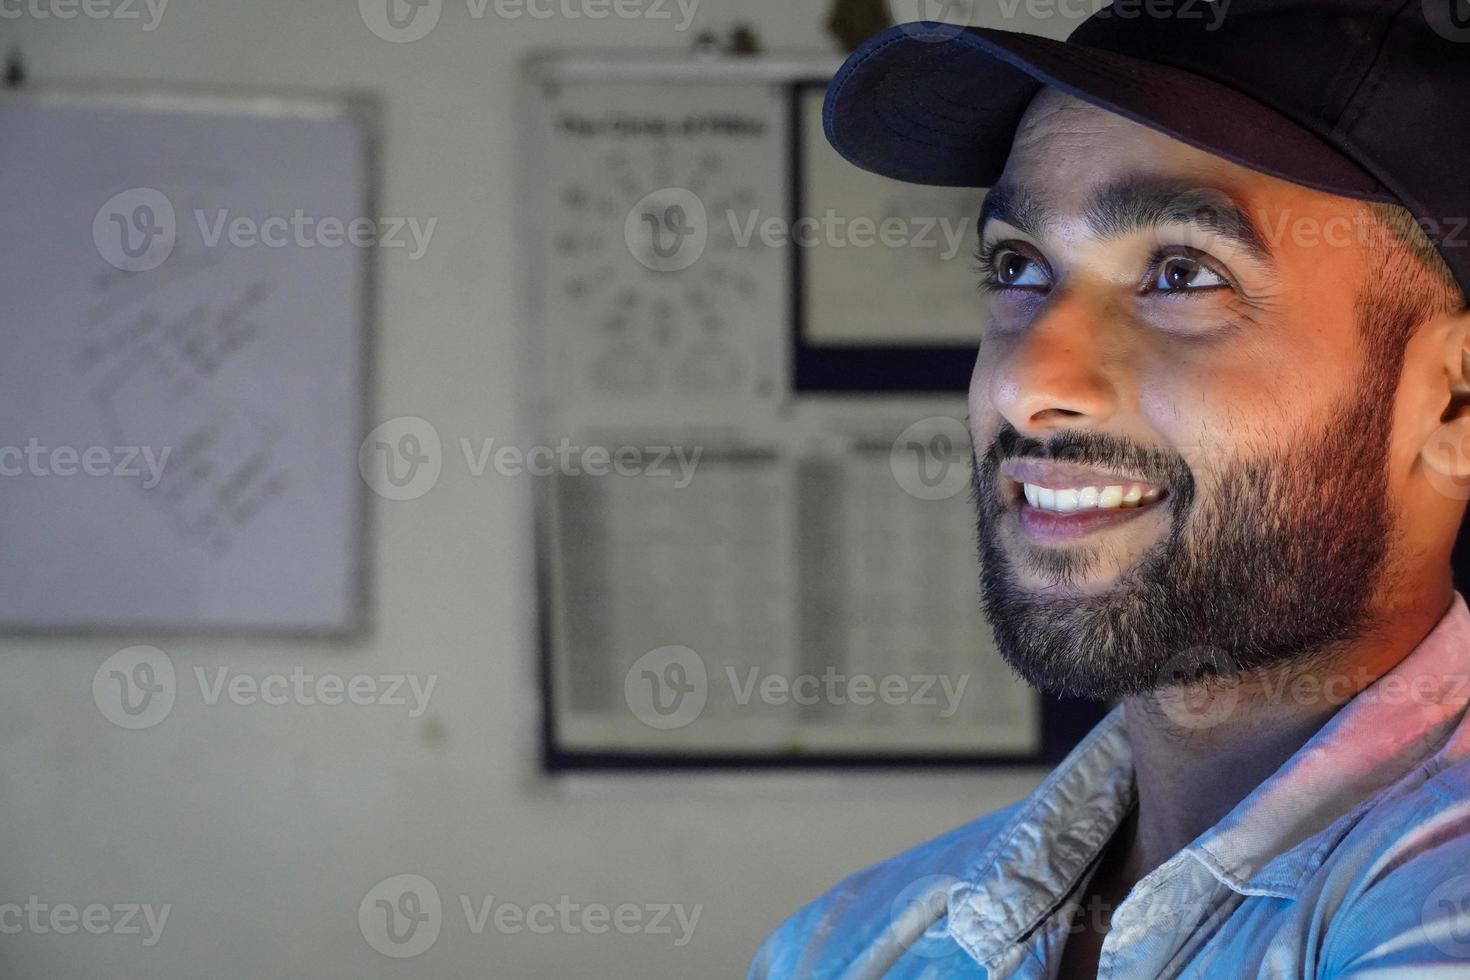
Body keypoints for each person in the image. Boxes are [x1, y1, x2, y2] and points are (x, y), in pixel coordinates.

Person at [751, 1, 1470, 976]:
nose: (1030, 382)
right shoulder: (852, 947)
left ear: (1453, 405)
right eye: (1020, 265)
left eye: (1180, 272)